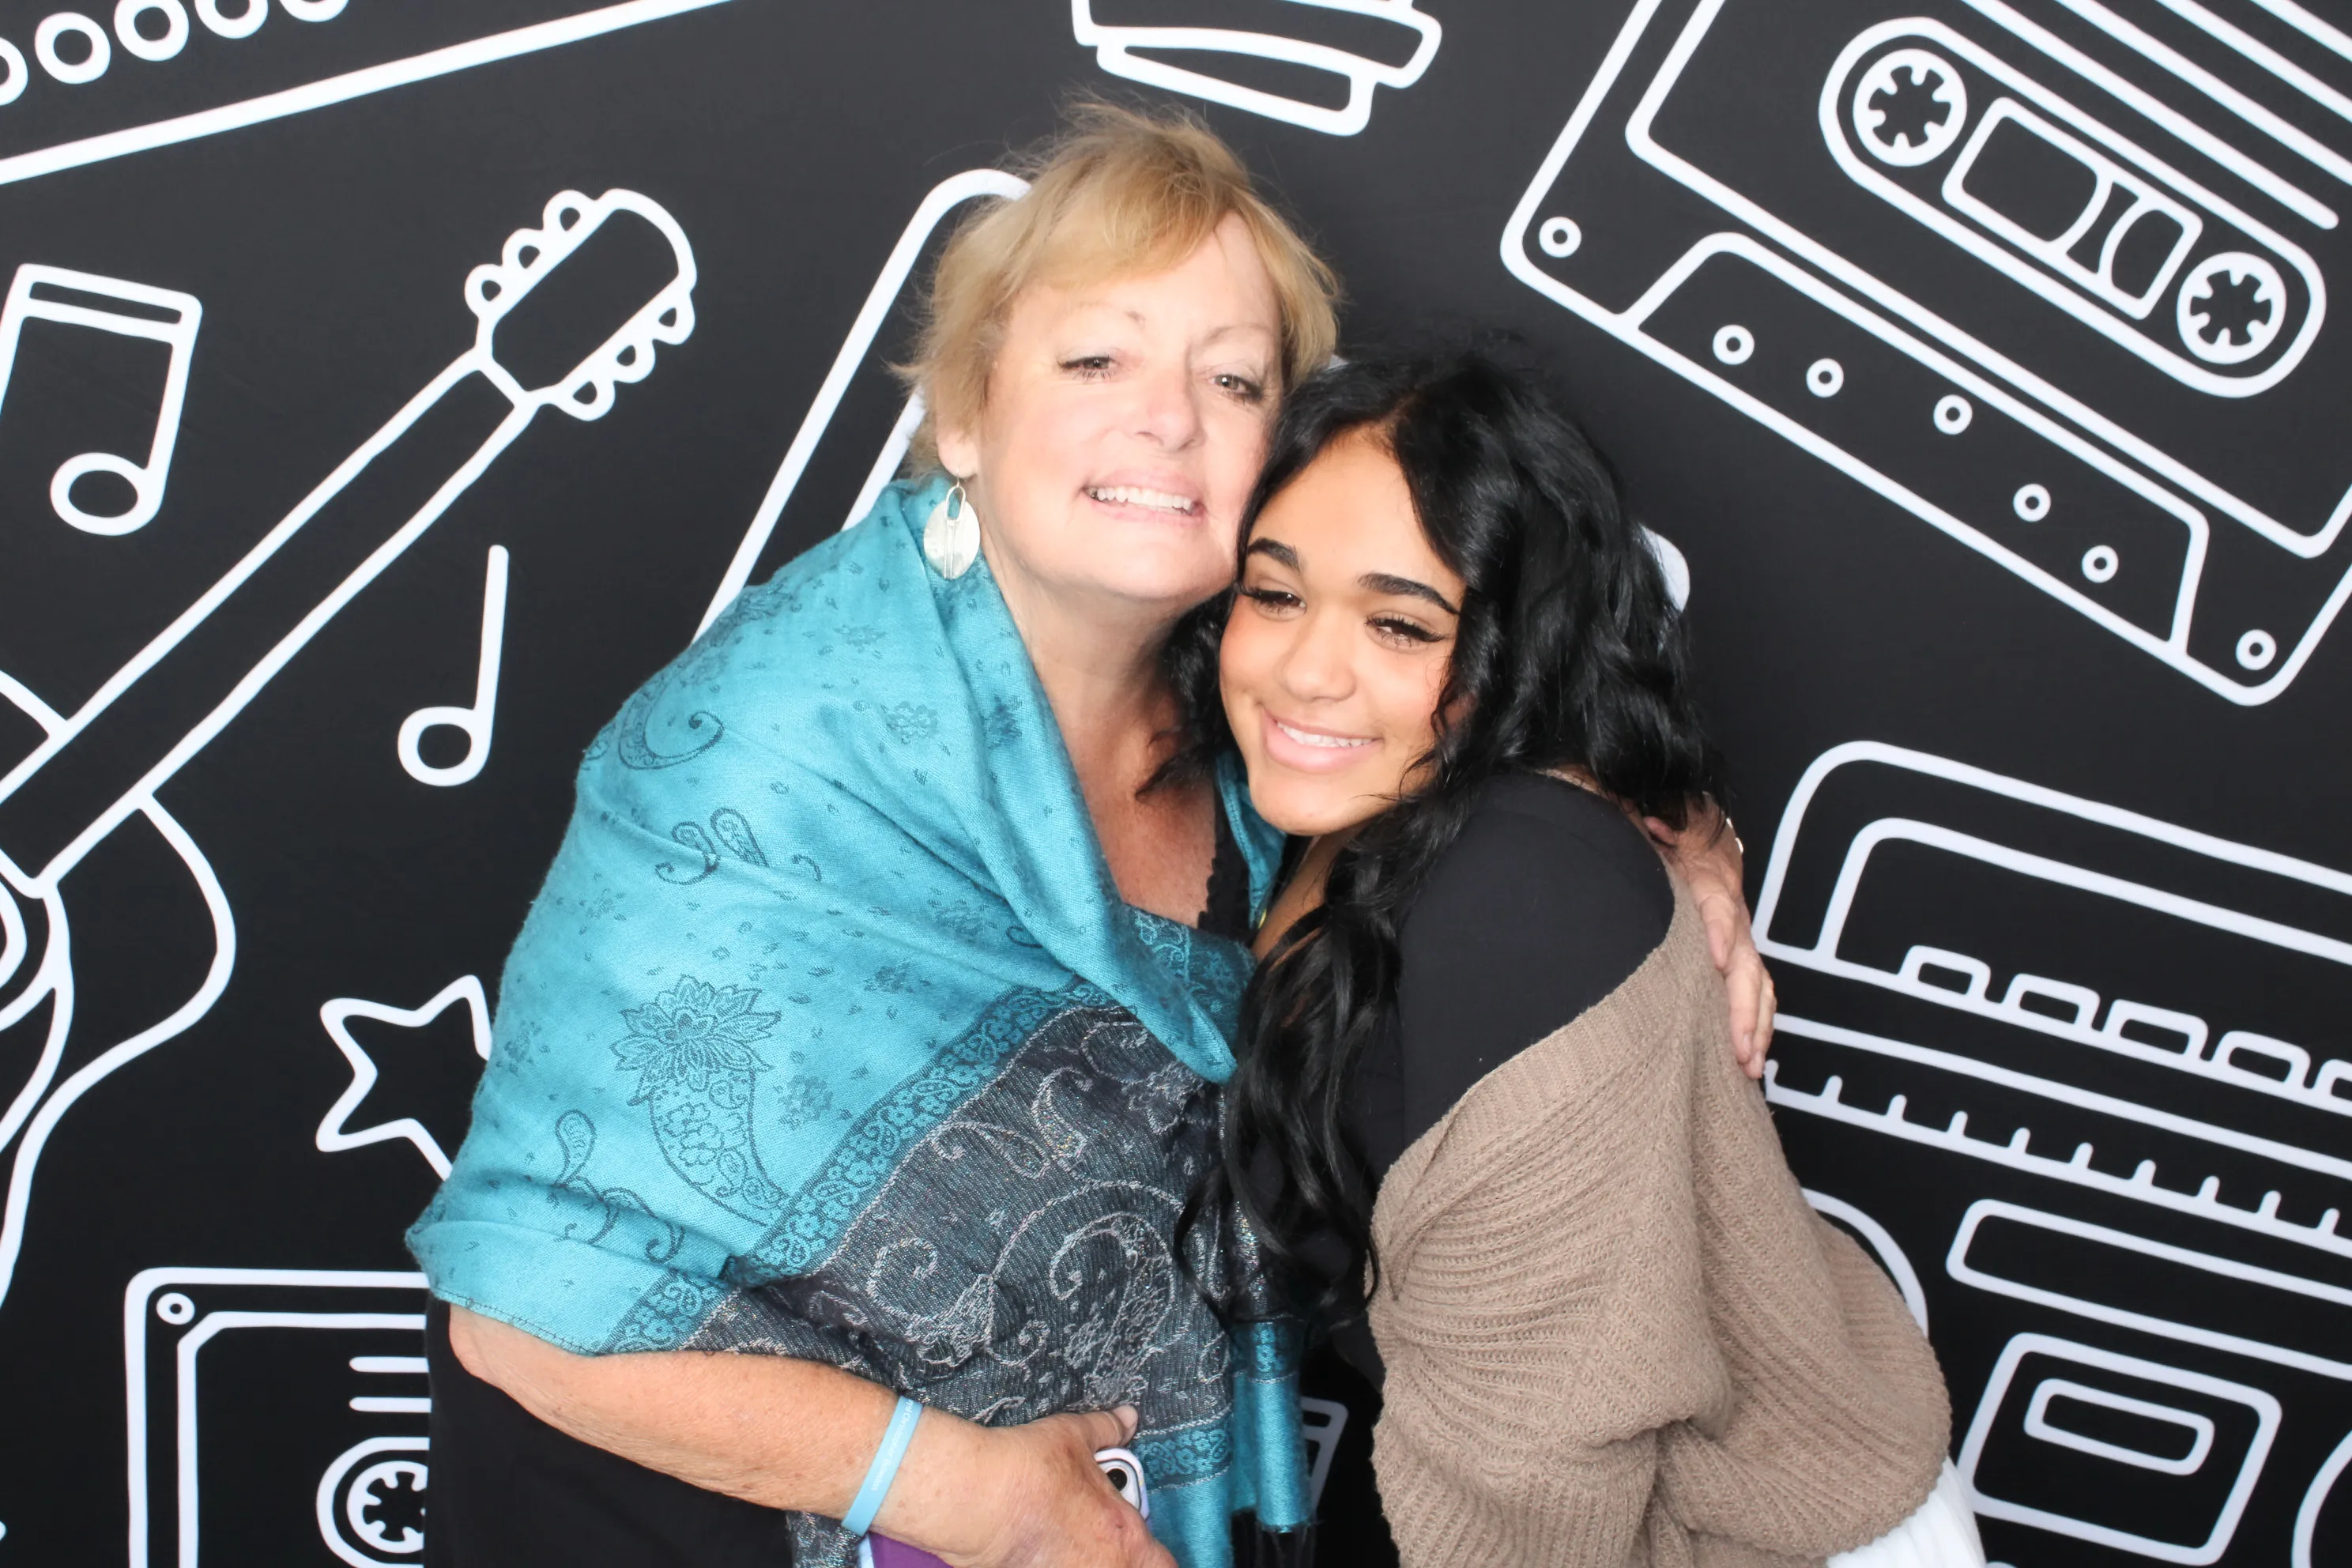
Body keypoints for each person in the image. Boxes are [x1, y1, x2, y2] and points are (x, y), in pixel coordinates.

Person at [407, 108, 1770, 1568]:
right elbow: (524, 1311)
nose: (1169, 419)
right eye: (1098, 360)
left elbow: (1523, 699)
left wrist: (1685, 850)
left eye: (1232, 379)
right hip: (682, 1515)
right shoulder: (770, 749)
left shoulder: (1265, 690)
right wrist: (971, 1496)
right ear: (965, 418)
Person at [1194, 354, 1981, 1567]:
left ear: (1520, 649)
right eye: (1277, 592)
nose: (1306, 669)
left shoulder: (1516, 891)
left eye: (1401, 624)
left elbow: (1543, 1473)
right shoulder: (1340, 818)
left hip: (1745, 1537)